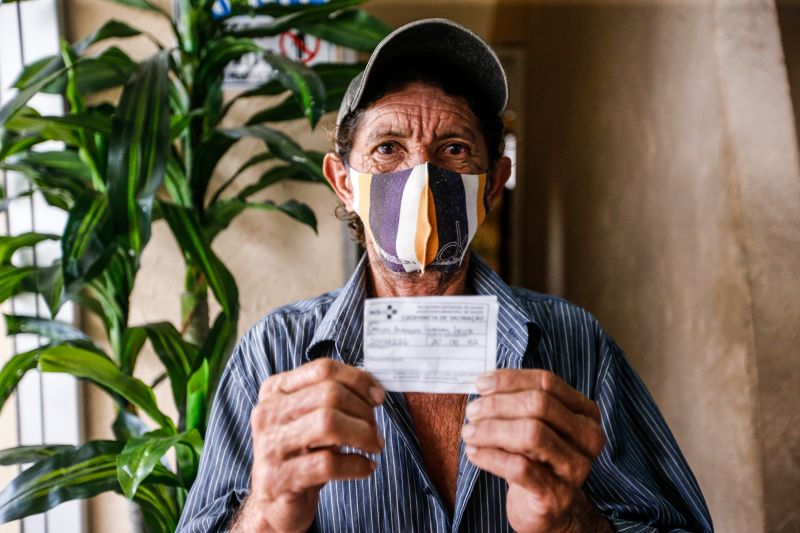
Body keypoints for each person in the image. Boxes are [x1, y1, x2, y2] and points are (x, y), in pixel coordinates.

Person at [177, 19, 713, 533]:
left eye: (453, 149)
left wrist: (568, 521)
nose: (421, 178)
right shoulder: (274, 355)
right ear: (344, 183)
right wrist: (267, 514)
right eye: (388, 149)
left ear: (494, 183)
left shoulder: (578, 347)